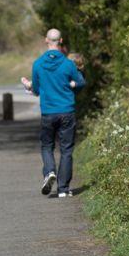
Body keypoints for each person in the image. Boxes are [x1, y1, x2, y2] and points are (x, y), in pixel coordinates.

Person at [21, 28, 86, 198]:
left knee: (47, 146)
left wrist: (29, 86)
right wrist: (73, 85)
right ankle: (63, 189)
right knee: (66, 150)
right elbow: (80, 82)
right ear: (61, 41)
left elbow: (36, 90)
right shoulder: (68, 64)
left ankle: (49, 171)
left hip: (48, 112)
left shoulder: (38, 64)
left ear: (46, 40)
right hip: (67, 111)